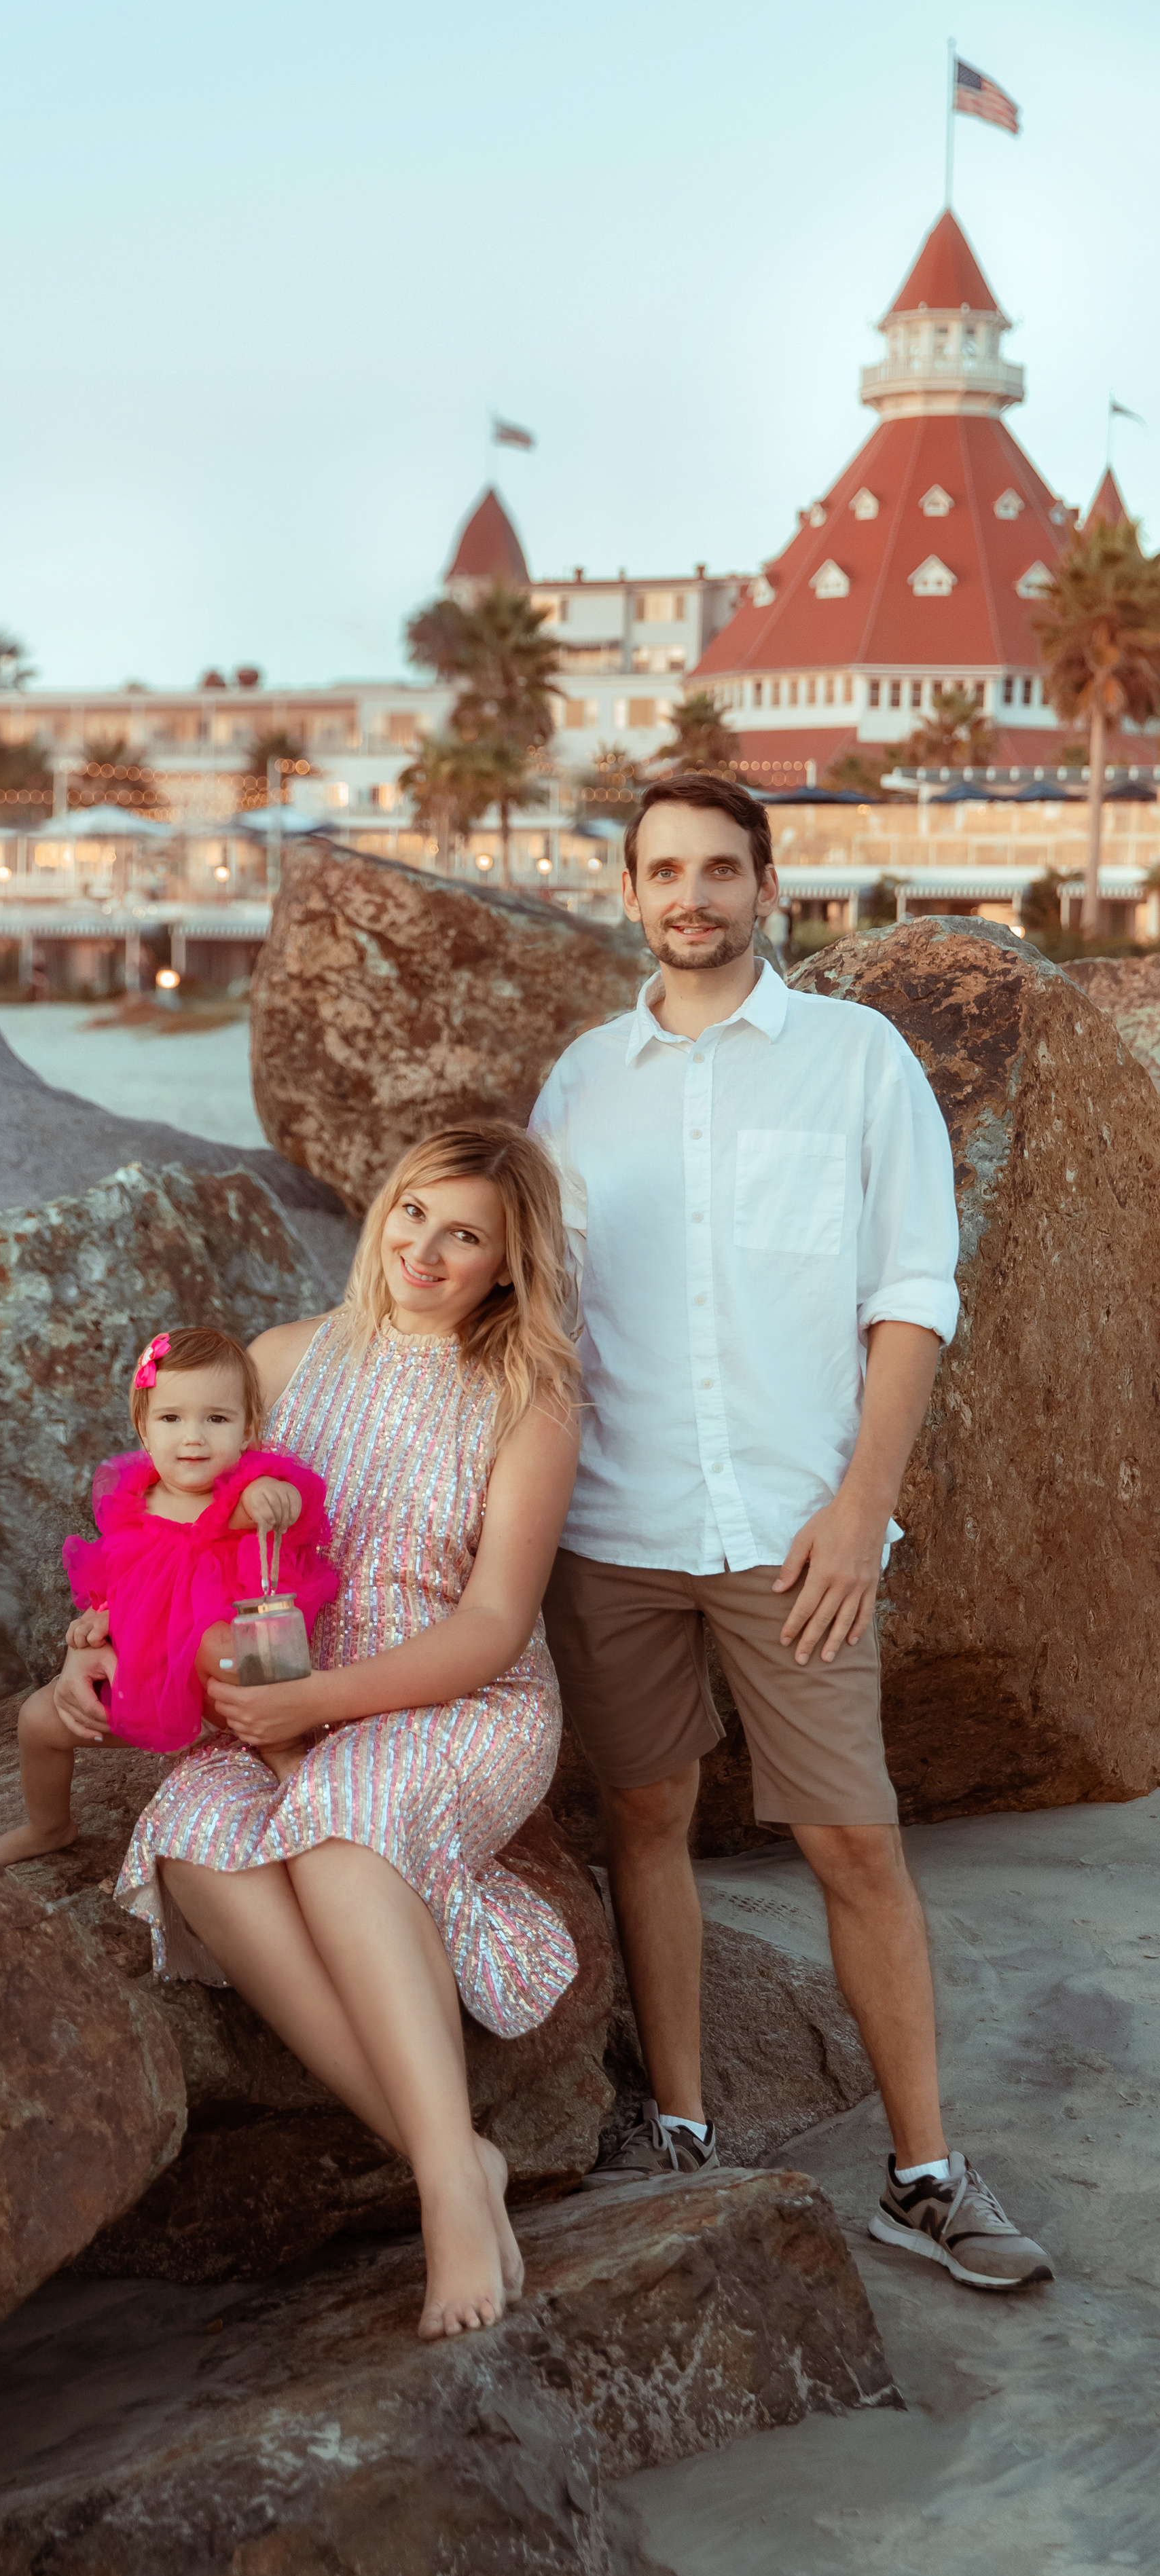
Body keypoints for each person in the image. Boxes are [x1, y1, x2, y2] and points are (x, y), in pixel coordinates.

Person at [531, 769, 1052, 2293]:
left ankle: (925, 2171)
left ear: (768, 886)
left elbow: (909, 1295)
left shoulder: (855, 1059)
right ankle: (682, 2124)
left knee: (851, 1839)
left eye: (716, 868)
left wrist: (858, 1511)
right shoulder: (579, 1084)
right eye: (660, 871)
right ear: (628, 894)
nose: (687, 895)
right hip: (615, 1526)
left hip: (791, 1533)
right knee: (642, 1819)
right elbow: (534, 1312)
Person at [46, 1121, 582, 2341]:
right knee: (192, 1835)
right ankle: (457, 2156)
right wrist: (100, 1635)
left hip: (454, 1700)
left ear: (508, 1265)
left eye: (465, 1236)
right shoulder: (289, 1360)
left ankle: (445, 2195)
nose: (426, 1251)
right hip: (279, 1686)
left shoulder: (529, 1400)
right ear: (379, 1210)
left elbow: (497, 1623)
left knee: (343, 1827)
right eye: (411, 1215)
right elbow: (170, 1523)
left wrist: (315, 1710)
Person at [0, 1325, 337, 1868]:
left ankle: (284, 1747)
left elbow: (291, 1499)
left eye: (216, 1419)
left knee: (224, 1645)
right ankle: (48, 1825)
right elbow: (116, 1573)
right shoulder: (131, 1499)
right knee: (38, 1721)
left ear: (247, 1431)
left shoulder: (243, 1493)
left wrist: (272, 1495)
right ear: (144, 1431)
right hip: (145, 1674)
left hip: (226, 1684)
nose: (193, 1437)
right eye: (172, 1419)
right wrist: (92, 1620)